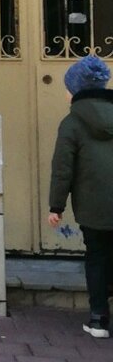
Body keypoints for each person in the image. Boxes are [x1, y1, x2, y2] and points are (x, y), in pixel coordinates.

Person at [48, 54, 113, 338]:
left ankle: (98, 320)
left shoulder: (72, 122)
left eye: (67, 87)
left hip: (92, 207)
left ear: (76, 89)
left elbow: (63, 169)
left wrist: (56, 205)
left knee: (97, 257)